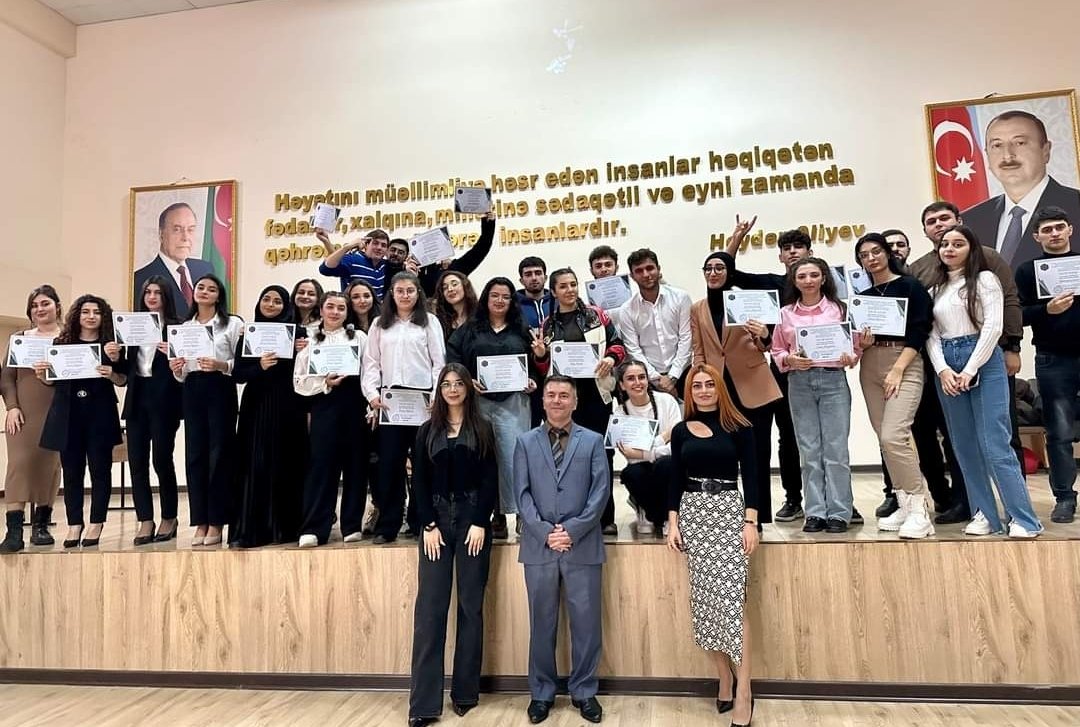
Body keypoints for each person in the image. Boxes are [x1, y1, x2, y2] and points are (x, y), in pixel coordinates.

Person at [907, 201, 1025, 523]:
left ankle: (1017, 508)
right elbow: (925, 321)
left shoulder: (987, 259)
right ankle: (974, 507)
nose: (939, 225)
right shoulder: (922, 269)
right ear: (926, 231)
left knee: (1001, 437)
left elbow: (1008, 302)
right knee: (960, 439)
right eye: (932, 222)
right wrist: (941, 367)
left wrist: (1012, 346)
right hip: (944, 363)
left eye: (945, 218)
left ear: (959, 220)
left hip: (988, 355)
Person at [927, 226, 1043, 538]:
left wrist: (970, 369)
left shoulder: (986, 279)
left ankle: (1024, 519)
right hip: (947, 363)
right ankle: (985, 514)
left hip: (982, 358)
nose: (949, 249)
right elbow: (931, 335)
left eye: (958, 243)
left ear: (972, 248)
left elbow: (993, 327)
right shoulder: (936, 288)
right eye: (945, 244)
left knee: (995, 443)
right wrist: (943, 370)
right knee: (964, 446)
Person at [513, 376, 609, 725]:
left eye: (564, 395)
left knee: (586, 623)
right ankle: (542, 692)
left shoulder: (593, 441)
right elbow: (521, 494)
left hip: (582, 545)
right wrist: (545, 532)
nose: (557, 400)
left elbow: (600, 492)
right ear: (542, 401)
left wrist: (571, 530)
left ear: (575, 401)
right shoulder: (525, 442)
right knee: (542, 623)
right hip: (540, 547)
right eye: (551, 395)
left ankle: (584, 690)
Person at [666, 364, 757, 727]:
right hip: (694, 515)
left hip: (729, 513)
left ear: (719, 388)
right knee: (706, 604)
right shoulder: (680, 430)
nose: (703, 390)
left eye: (709, 384)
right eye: (697, 386)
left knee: (733, 603)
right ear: (689, 392)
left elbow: (753, 476)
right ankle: (724, 677)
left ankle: (744, 691)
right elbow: (675, 477)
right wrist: (673, 522)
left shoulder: (739, 426)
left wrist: (750, 522)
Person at [407, 364, 498, 727]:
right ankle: (424, 705)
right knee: (430, 610)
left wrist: (480, 521)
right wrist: (427, 524)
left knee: (470, 606)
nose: (453, 389)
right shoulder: (426, 431)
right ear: (439, 390)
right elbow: (419, 483)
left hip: (473, 522)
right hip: (437, 525)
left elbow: (491, 479)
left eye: (459, 383)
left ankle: (465, 692)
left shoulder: (483, 428)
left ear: (468, 389)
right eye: (446, 384)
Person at [690, 250, 784, 526]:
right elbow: (699, 349)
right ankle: (723, 515)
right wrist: (700, 380)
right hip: (718, 390)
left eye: (719, 268)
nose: (713, 273)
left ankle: (759, 517)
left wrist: (764, 335)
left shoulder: (747, 301)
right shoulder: (697, 308)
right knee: (719, 454)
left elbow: (766, 346)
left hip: (754, 386)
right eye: (708, 268)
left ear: (730, 273)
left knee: (757, 455)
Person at [771, 258, 864, 533]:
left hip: (833, 380)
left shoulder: (840, 310)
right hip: (799, 383)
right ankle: (815, 512)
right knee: (809, 450)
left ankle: (839, 512)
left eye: (814, 275)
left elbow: (855, 348)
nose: (808, 280)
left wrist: (851, 356)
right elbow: (777, 350)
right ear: (794, 281)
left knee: (836, 450)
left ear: (824, 278)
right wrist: (789, 359)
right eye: (802, 276)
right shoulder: (785, 313)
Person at [723, 220, 806, 522]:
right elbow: (729, 273)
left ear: (809, 253)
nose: (793, 252)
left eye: (799, 247)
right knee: (781, 436)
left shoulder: (821, 285)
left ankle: (830, 502)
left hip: (815, 371)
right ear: (780, 256)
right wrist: (736, 238)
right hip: (777, 370)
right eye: (787, 248)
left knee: (808, 438)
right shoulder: (772, 284)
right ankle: (793, 499)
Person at [853, 233, 935, 539]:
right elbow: (858, 337)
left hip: (903, 361)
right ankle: (903, 503)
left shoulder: (910, 286)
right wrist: (862, 343)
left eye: (876, 251)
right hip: (870, 363)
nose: (871, 258)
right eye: (864, 255)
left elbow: (920, 330)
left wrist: (899, 369)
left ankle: (919, 509)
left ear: (888, 253)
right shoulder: (864, 295)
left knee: (894, 436)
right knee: (884, 439)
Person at [535, 268, 625, 537]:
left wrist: (610, 358)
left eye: (573, 284)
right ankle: (575, 518)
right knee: (567, 459)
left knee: (602, 457)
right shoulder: (548, 325)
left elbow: (618, 344)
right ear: (553, 291)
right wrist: (540, 355)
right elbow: (545, 369)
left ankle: (606, 517)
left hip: (597, 397)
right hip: (563, 403)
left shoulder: (596, 315)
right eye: (563, 286)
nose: (570, 290)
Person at [447, 277, 539, 540]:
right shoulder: (469, 329)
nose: (500, 301)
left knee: (516, 459)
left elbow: (536, 363)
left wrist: (532, 379)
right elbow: (453, 358)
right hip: (479, 403)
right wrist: (466, 380)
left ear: (512, 301)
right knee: (484, 459)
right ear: (486, 298)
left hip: (515, 403)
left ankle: (522, 514)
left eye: (506, 297)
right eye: (495, 295)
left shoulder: (522, 330)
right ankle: (494, 514)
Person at [362, 271, 446, 543]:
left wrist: (436, 397)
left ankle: (420, 521)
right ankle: (388, 524)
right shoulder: (379, 324)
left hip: (422, 403)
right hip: (390, 403)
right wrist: (372, 395)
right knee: (389, 465)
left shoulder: (429, 322)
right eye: (400, 291)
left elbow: (439, 363)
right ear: (392, 294)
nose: (405, 295)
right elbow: (371, 363)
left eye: (410, 290)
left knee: (423, 464)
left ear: (418, 293)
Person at [39, 294, 127, 548]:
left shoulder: (111, 345)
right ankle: (74, 524)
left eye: (96, 312)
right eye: (86, 311)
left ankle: (96, 522)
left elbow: (123, 380)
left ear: (103, 317)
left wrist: (112, 371)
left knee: (100, 471)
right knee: (72, 472)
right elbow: (51, 381)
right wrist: (42, 374)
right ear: (77, 315)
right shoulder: (61, 343)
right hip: (68, 415)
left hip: (100, 414)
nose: (91, 316)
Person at [230, 285, 309, 548]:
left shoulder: (298, 333)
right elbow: (238, 374)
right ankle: (252, 530)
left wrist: (301, 351)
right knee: (256, 462)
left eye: (277, 301)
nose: (271, 305)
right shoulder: (249, 333)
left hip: (289, 405)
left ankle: (286, 529)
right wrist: (259, 366)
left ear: (286, 306)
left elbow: (306, 371)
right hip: (257, 405)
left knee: (287, 461)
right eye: (266, 299)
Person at [169, 274, 244, 547]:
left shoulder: (232, 324)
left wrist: (221, 365)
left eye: (211, 289)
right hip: (192, 389)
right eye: (201, 287)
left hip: (220, 387)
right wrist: (177, 369)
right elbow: (181, 373)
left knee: (219, 455)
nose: (205, 292)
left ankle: (217, 521)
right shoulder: (184, 327)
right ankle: (200, 521)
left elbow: (240, 363)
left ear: (218, 296)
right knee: (195, 455)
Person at [1014, 206, 1079, 523]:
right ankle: (1065, 498)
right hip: (1053, 359)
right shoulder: (1027, 271)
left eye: (1059, 227)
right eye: (1047, 230)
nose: (1054, 233)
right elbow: (1018, 315)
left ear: (1070, 230)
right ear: (1037, 236)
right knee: (1059, 432)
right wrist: (1046, 311)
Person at [294, 292, 370, 547]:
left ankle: (352, 524)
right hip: (324, 406)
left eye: (341, 308)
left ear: (347, 312)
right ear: (322, 309)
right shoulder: (310, 340)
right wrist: (323, 382)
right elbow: (298, 381)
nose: (335, 312)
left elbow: (371, 370)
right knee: (321, 466)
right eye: (330, 307)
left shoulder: (359, 338)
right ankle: (315, 527)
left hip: (355, 405)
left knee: (356, 466)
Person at [960, 110, 1080, 269]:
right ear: (987, 155)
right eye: (997, 145)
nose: (1007, 156)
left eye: (1020, 143)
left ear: (1046, 150)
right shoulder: (969, 221)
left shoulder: (1076, 205)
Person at [115, 276, 183, 545]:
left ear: (166, 296)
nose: (152, 297)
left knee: (162, 460)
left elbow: (187, 365)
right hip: (137, 398)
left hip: (165, 399)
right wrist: (115, 355)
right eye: (148, 292)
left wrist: (174, 353)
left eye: (158, 292)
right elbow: (124, 370)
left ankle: (169, 517)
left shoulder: (177, 327)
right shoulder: (132, 326)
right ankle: (145, 519)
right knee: (137, 462)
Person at [0, 285, 63, 553]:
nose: (40, 309)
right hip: (22, 414)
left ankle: (41, 526)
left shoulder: (68, 339)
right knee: (19, 465)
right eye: (35, 305)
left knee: (50, 467)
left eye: (45, 303)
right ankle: (13, 531)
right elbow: (6, 377)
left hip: (57, 411)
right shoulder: (19, 338)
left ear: (57, 306)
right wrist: (12, 407)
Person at [612, 359, 682, 535]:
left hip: (667, 464)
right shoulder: (620, 412)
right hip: (640, 466)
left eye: (642, 377)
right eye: (631, 378)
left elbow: (677, 445)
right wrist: (663, 438)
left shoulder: (667, 401)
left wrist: (645, 451)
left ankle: (668, 516)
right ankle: (645, 508)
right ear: (621, 385)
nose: (637, 382)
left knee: (665, 464)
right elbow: (630, 456)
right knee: (631, 473)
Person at [618, 248, 692, 398]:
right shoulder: (626, 309)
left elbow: (686, 338)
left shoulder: (681, 298)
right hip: (648, 379)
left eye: (650, 268)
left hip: (684, 372)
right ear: (632, 276)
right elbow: (633, 350)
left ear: (658, 269)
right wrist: (656, 379)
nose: (646, 274)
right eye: (639, 271)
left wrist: (673, 376)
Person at [133, 202, 214, 314]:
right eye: (177, 229)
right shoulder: (140, 279)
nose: (185, 237)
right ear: (161, 234)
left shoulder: (204, 268)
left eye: (190, 230)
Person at [417, 212, 496, 297]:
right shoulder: (417, 273)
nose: (450, 289)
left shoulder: (455, 268)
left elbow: (481, 248)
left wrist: (488, 223)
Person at [516, 255, 554, 428]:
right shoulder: (513, 306)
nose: (534, 278)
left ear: (545, 277)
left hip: (555, 373)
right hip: (527, 377)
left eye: (538, 273)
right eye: (528, 274)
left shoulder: (557, 301)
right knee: (530, 430)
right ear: (521, 280)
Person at [317, 228, 391, 295]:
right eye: (375, 243)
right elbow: (325, 269)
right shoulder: (353, 260)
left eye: (383, 245)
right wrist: (348, 247)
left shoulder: (385, 265)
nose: (379, 247)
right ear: (366, 245)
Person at [431, 270, 478, 342]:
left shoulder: (480, 315)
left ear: (465, 285)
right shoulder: (440, 322)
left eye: (454, 284)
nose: (450, 289)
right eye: (445, 288)